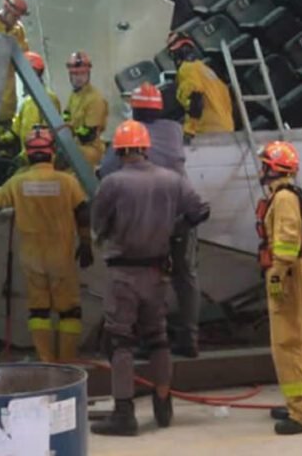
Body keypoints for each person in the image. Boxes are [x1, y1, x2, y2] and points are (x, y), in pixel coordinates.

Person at [90, 120, 210, 436]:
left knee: (120, 342)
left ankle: (124, 413)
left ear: (119, 151)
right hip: (158, 272)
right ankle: (162, 404)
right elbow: (200, 211)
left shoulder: (112, 184)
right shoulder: (172, 180)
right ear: (145, 148)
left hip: (123, 272)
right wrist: (174, 229)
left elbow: (98, 226)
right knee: (158, 339)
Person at [0, 127, 92, 363]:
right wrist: (86, 244)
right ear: (52, 153)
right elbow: (83, 213)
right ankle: (68, 364)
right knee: (69, 312)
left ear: (28, 154)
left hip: (32, 258)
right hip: (62, 257)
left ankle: (46, 361)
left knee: (39, 311)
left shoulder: (17, 183)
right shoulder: (68, 182)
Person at [99, 83, 201, 357]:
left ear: (134, 107)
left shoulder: (132, 132)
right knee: (185, 275)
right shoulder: (174, 130)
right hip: (181, 215)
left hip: (149, 219)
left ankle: (151, 339)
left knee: (147, 276)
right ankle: (189, 340)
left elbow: (106, 170)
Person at [255, 140, 302, 435]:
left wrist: (276, 276)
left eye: (264, 164)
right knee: (299, 342)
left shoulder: (283, 198)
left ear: (272, 168)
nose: (261, 169)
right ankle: (301, 403)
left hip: (287, 276)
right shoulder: (287, 195)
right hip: (295, 274)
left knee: (287, 343)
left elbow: (287, 242)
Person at [168, 33, 233, 143]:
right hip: (227, 128)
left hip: (208, 130)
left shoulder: (187, 69)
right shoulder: (207, 71)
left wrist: (189, 130)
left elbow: (196, 99)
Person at [10, 51, 61, 160]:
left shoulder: (47, 99)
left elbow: (49, 135)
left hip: (42, 159)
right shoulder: (27, 101)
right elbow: (16, 130)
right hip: (27, 156)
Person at [64, 51, 109, 168]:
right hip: (77, 145)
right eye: (75, 74)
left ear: (88, 74)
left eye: (82, 74)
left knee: (61, 157)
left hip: (91, 149)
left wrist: (69, 129)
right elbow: (66, 114)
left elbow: (88, 134)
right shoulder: (74, 95)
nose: (78, 78)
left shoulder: (95, 99)